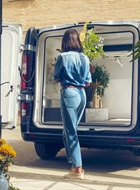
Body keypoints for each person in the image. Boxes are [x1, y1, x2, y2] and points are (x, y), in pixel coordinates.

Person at [53, 28, 92, 180]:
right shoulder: (85, 58)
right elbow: (88, 81)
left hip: (69, 93)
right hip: (82, 94)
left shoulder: (62, 57)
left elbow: (56, 76)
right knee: (68, 131)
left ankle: (77, 169)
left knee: (70, 132)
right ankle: (73, 165)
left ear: (65, 41)